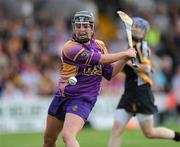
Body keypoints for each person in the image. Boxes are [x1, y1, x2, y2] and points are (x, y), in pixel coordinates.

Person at [42, 11, 136, 147]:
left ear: (92, 28)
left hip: (84, 98)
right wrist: (124, 53)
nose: (81, 30)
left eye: (85, 26)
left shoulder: (100, 45)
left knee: (68, 135)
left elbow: (109, 74)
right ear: (74, 28)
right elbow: (100, 59)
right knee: (49, 139)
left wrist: (125, 58)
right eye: (78, 26)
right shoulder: (70, 47)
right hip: (62, 96)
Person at [108, 17, 180, 147]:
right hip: (129, 93)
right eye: (134, 26)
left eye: (139, 27)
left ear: (144, 31)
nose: (135, 28)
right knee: (116, 131)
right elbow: (126, 70)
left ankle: (178, 137)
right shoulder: (130, 47)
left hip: (142, 93)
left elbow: (147, 68)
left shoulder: (143, 47)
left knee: (149, 132)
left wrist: (129, 62)